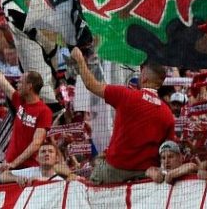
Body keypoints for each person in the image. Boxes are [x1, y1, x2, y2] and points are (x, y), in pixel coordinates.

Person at [70, 47, 176, 184]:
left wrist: (79, 59)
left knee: (95, 164)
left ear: (143, 77)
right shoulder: (167, 113)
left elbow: (91, 84)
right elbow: (168, 148)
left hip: (114, 171)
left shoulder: (126, 95)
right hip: (145, 174)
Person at [0, 46, 53, 185]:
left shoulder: (44, 111)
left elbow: (36, 144)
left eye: (21, 82)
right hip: (8, 168)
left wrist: (13, 164)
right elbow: (0, 79)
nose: (17, 84)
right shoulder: (19, 101)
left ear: (30, 86)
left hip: (28, 170)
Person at [0, 141, 75, 186]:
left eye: (50, 151)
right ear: (37, 158)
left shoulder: (60, 181)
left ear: (57, 158)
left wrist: (40, 180)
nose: (47, 154)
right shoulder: (30, 172)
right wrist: (16, 179)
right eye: (43, 152)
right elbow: (1, 176)